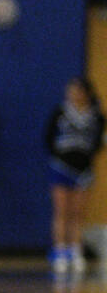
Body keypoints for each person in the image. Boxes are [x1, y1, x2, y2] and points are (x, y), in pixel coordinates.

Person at [44, 76, 104, 276]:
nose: (73, 94)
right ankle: (60, 251)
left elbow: (99, 140)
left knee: (78, 213)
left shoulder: (96, 115)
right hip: (61, 166)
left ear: (86, 93)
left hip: (84, 169)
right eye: (71, 90)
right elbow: (49, 137)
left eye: (78, 90)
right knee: (62, 210)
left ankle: (75, 250)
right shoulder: (61, 112)